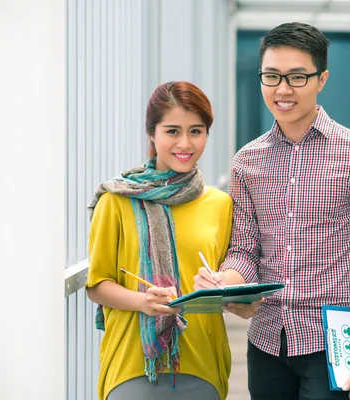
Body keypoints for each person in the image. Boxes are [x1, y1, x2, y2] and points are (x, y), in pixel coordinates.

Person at [193, 22, 350, 400]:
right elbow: (245, 250)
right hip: (266, 340)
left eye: (296, 77)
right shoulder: (247, 161)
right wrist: (225, 283)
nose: (282, 89)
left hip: (334, 341)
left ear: (321, 79)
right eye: (272, 76)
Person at [86, 81, 249, 400]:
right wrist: (142, 302)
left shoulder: (220, 204)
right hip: (133, 363)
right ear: (152, 133)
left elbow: (233, 271)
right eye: (172, 131)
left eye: (196, 131)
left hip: (202, 360)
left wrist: (224, 285)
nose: (185, 143)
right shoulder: (117, 201)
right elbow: (97, 284)